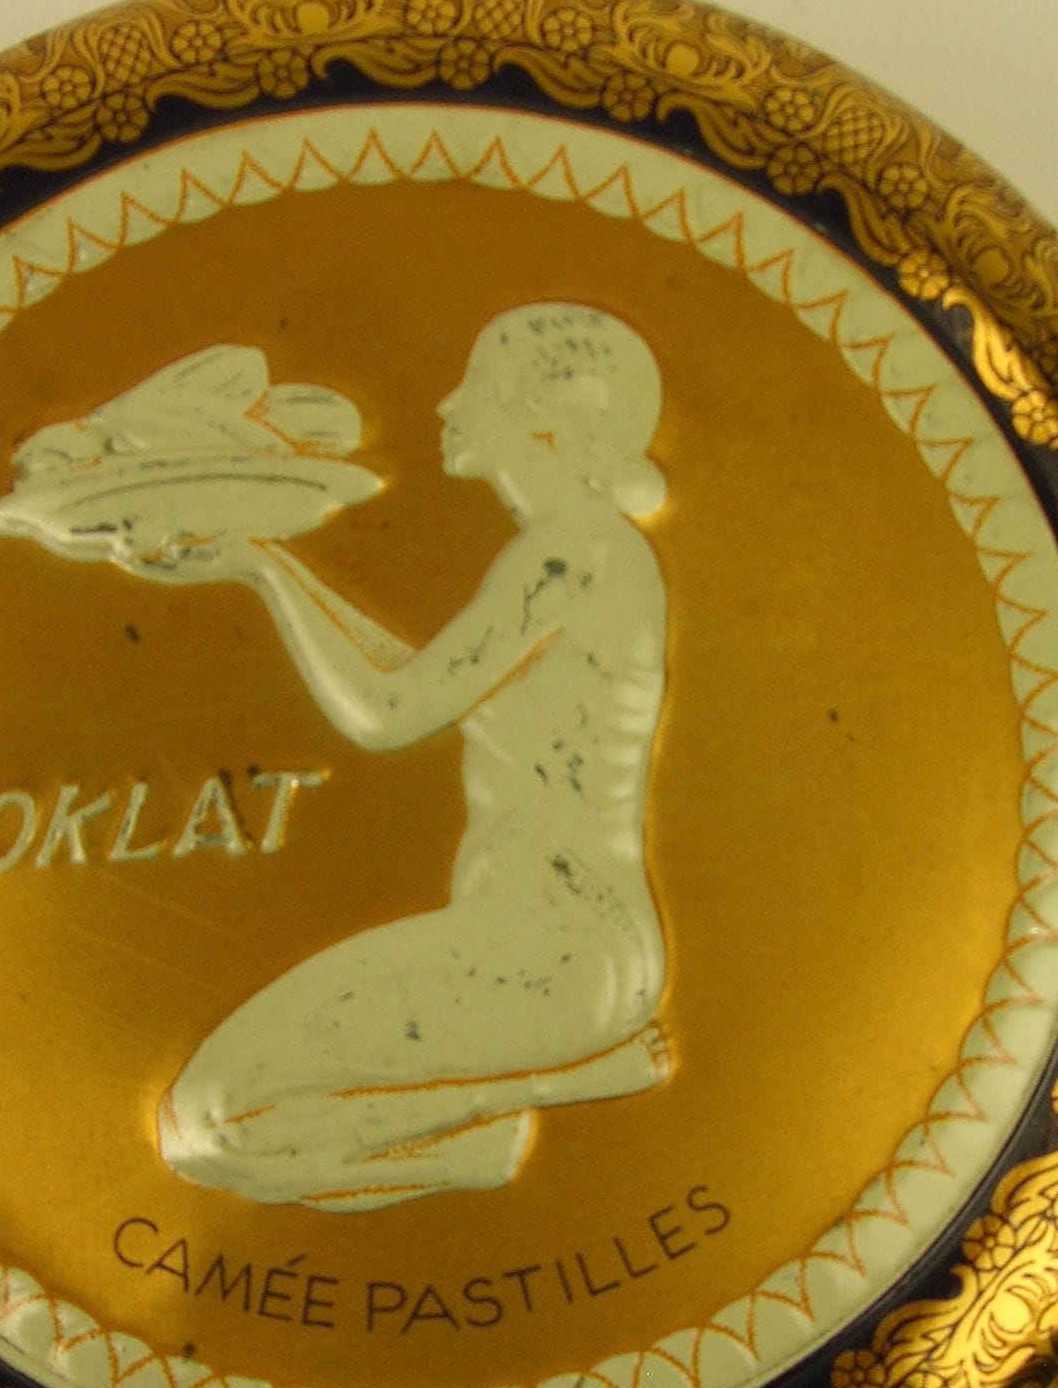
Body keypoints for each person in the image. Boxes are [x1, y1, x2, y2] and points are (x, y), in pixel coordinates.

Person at [134, 302, 675, 1210]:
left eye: (478, 386)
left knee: (213, 1122)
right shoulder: (584, 549)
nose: (447, 404)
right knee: (209, 1130)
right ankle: (487, 1137)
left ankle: (546, 1091)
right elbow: (422, 681)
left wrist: (265, 571)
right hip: (562, 947)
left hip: (552, 955)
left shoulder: (572, 552)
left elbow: (386, 715)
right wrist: (261, 562)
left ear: (545, 418)